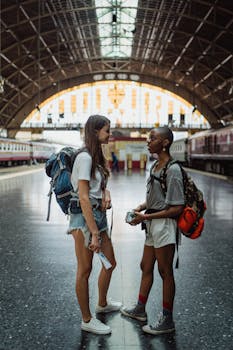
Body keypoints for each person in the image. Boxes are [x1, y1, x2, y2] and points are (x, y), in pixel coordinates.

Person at [120, 126, 185, 335]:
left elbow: (176, 207)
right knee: (145, 265)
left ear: (165, 143)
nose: (148, 141)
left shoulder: (173, 169)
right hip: (151, 223)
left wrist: (146, 216)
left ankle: (167, 319)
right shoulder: (156, 166)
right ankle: (140, 309)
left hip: (164, 224)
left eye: (153, 138)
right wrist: (139, 208)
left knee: (165, 271)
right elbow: (154, 197)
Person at [67, 115, 121, 335]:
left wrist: (106, 194)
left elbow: (96, 188)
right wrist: (94, 234)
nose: (110, 134)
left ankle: (102, 303)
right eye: (107, 130)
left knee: (110, 262)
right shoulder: (85, 158)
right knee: (85, 269)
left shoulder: (96, 157)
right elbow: (83, 197)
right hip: (84, 220)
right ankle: (87, 319)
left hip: (98, 216)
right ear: (96, 131)